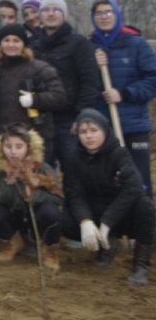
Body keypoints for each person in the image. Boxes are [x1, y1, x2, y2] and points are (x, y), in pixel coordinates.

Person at [60, 109, 152, 287]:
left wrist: (108, 222)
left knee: (145, 206)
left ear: (104, 130)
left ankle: (141, 264)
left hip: (121, 213)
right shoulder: (73, 158)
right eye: (83, 132)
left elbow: (133, 187)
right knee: (63, 219)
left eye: (94, 130)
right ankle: (108, 245)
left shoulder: (119, 154)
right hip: (94, 210)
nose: (89, 136)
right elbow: (74, 193)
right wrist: (85, 221)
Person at [88, 0, 156, 194]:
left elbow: (153, 80)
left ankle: (144, 221)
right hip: (103, 127)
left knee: (138, 178)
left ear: (117, 14)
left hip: (134, 125)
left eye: (108, 12)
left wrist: (124, 94)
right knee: (109, 180)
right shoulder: (89, 46)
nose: (104, 17)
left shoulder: (136, 43)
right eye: (98, 13)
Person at [30, 0, 100, 169]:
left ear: (64, 14)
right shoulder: (33, 46)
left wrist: (81, 117)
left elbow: (89, 82)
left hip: (69, 121)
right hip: (41, 120)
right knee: (42, 172)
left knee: (74, 171)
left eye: (56, 10)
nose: (51, 14)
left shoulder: (79, 44)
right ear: (40, 15)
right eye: (46, 10)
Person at [0, 124, 62, 271]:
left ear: (28, 147)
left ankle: (49, 248)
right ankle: (12, 241)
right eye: (8, 146)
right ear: (1, 147)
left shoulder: (42, 168)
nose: (13, 152)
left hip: (35, 217)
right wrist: (4, 192)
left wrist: (36, 196)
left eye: (19, 147)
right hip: (12, 215)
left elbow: (58, 197)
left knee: (51, 212)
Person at [0, 24, 66, 159]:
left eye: (16, 41)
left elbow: (60, 97)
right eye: (6, 40)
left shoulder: (40, 69)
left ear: (24, 44)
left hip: (34, 140)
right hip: (3, 141)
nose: (11, 44)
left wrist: (35, 100)